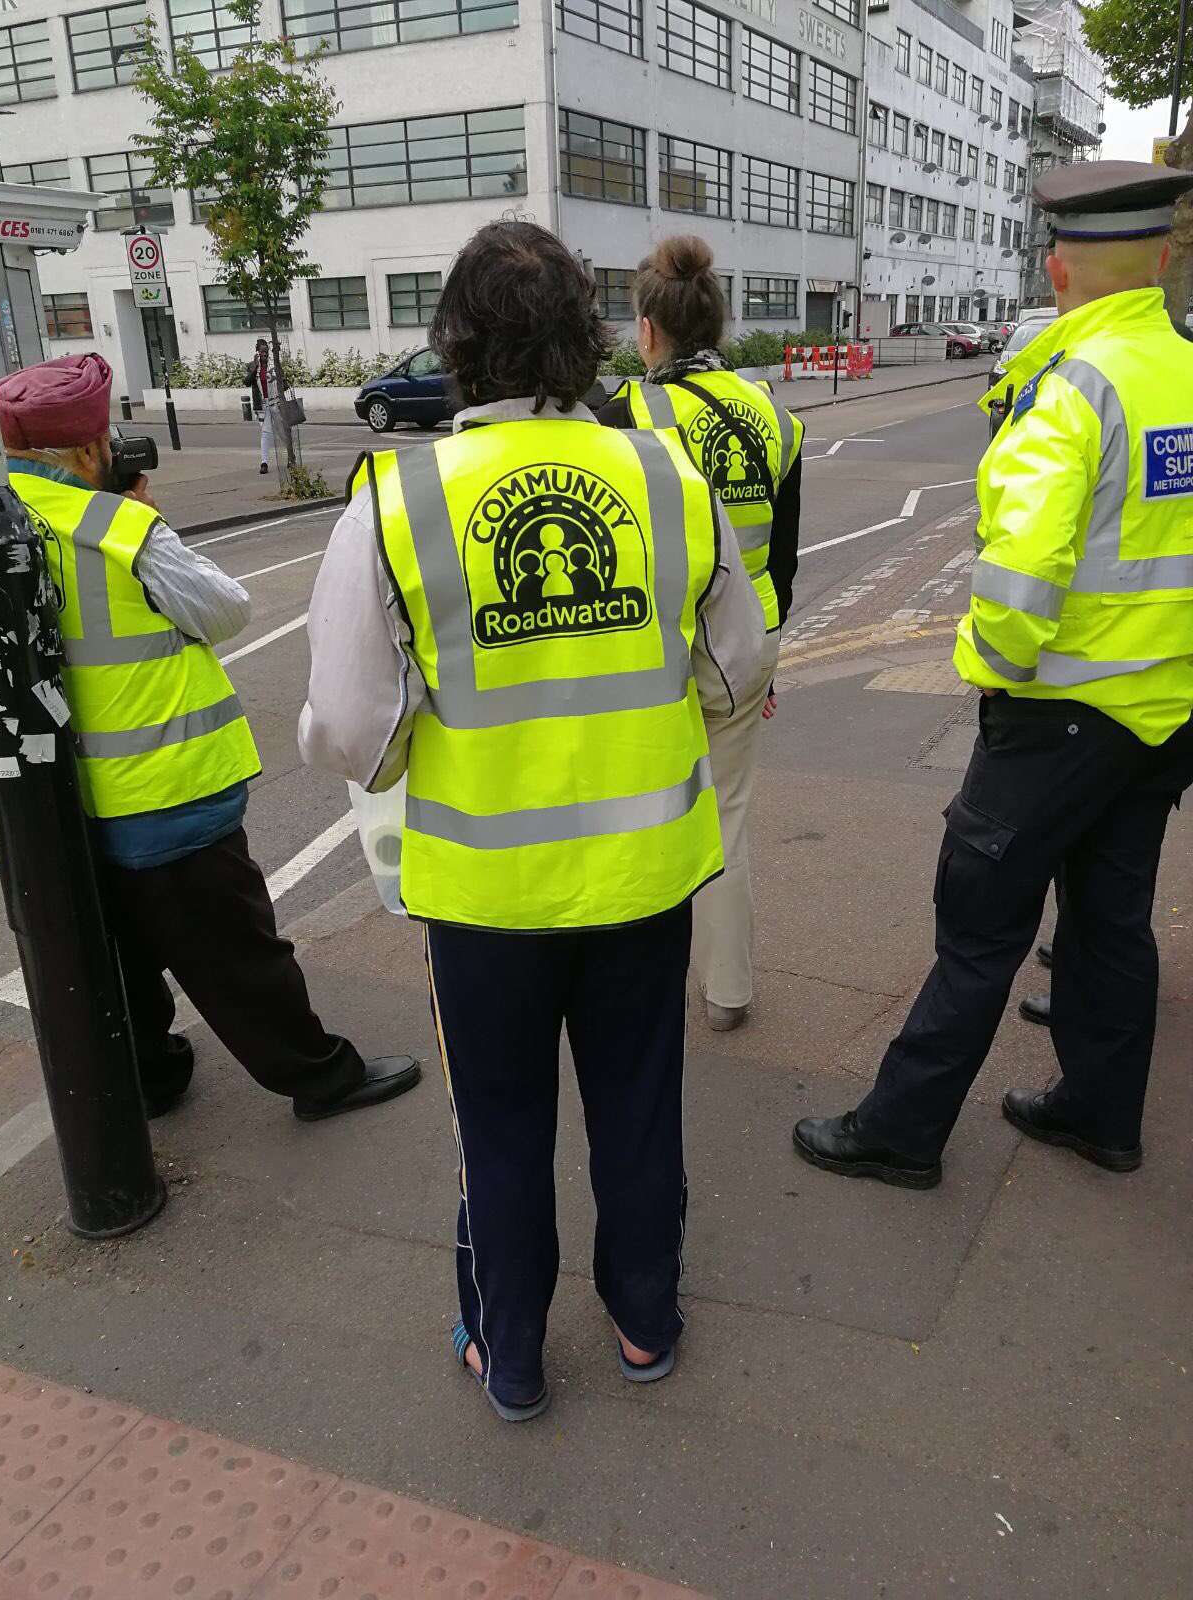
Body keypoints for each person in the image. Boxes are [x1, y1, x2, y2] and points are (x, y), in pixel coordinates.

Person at [300, 219, 765, 1420]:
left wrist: (414, 743)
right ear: (591, 342)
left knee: (499, 1130)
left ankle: (509, 1354)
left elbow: (351, 726)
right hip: (642, 877)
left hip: (483, 896)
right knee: (638, 1107)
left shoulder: (397, 504)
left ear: (455, 350)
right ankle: (645, 1321)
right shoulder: (667, 480)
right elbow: (736, 673)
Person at [794, 159, 1193, 1187]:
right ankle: (1100, 1113)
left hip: (1058, 711)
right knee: (1111, 915)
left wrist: (992, 676)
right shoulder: (1185, 371)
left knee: (980, 920)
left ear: (1058, 270)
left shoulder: (1071, 391)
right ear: (1161, 259)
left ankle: (902, 1126)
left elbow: (1017, 590)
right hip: (1163, 712)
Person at [0, 353, 421, 1123]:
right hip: (164, 790)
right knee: (240, 955)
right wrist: (140, 517)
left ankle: (153, 1078)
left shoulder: (5, 521)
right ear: (89, 452)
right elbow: (225, 609)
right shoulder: (115, 525)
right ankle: (320, 1078)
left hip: (59, 808)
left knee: (119, 956)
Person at [599, 235, 803, 1032]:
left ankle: (633, 988)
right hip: (745, 646)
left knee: (640, 815)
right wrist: (765, 667)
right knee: (728, 816)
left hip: (655, 652)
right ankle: (727, 994)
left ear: (648, 329)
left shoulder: (623, 418)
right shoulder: (773, 417)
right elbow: (781, 561)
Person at [245, 339, 274, 476]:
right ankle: (264, 462)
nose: (265, 354)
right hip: (262, 404)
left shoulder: (273, 365)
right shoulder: (252, 366)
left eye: (266, 351)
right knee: (265, 433)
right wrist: (255, 367)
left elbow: (283, 383)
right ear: (257, 352)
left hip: (276, 401)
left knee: (282, 431)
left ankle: (289, 458)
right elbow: (247, 382)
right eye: (262, 351)